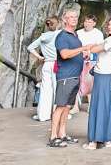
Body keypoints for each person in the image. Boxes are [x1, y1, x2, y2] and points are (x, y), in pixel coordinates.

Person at [84, 15, 111, 150]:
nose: (109, 26)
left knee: (98, 106)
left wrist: (91, 46)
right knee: (110, 107)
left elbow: (94, 50)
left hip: (104, 75)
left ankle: (94, 141)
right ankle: (107, 139)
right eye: (109, 24)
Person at [48, 8, 87, 147]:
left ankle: (62, 134)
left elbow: (73, 53)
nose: (74, 19)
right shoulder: (62, 36)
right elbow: (64, 54)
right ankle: (53, 137)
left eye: (76, 17)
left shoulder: (74, 35)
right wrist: (82, 49)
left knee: (67, 107)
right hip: (66, 76)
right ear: (64, 20)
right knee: (60, 106)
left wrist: (83, 55)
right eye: (71, 17)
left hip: (75, 76)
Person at [26, 16, 59, 122]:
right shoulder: (59, 34)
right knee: (57, 89)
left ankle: (43, 115)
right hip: (56, 64)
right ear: (57, 24)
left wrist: (40, 57)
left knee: (45, 90)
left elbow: (30, 47)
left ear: (47, 25)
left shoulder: (43, 37)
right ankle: (55, 114)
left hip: (46, 64)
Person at [76, 14, 104, 113]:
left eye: (90, 22)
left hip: (91, 60)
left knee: (90, 83)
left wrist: (90, 50)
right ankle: (75, 107)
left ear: (94, 24)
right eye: (86, 21)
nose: (87, 24)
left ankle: (91, 106)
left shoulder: (98, 33)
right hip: (78, 59)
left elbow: (100, 46)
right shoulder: (78, 32)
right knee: (77, 82)